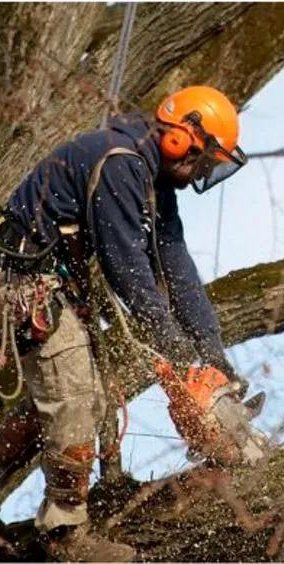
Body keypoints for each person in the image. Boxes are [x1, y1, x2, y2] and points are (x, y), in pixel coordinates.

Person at [0, 85, 249, 560]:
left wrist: (214, 356)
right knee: (72, 399)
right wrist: (178, 357)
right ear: (183, 138)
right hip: (26, 282)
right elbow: (128, 271)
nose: (201, 171)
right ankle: (66, 538)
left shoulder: (152, 178)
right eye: (203, 160)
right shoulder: (122, 162)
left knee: (78, 403)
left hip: (52, 286)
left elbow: (175, 266)